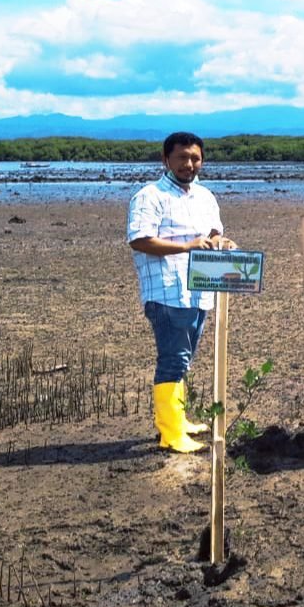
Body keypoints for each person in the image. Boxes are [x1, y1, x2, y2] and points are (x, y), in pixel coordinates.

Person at [127, 131, 235, 454]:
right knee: (173, 359)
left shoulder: (205, 197)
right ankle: (171, 433)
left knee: (184, 358)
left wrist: (223, 243)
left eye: (195, 158)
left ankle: (179, 419)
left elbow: (216, 235)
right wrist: (186, 246)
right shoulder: (149, 196)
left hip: (200, 291)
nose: (189, 164)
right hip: (167, 292)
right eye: (182, 158)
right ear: (165, 160)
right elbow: (140, 239)